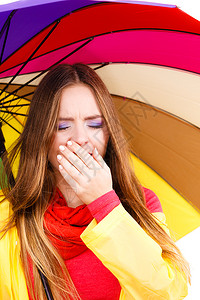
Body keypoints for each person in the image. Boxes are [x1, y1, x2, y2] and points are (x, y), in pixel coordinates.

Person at [0, 63, 190, 300]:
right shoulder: (8, 217)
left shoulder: (142, 204)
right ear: (42, 137)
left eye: (94, 124)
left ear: (109, 133)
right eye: (63, 126)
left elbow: (167, 293)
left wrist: (105, 206)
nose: (81, 138)